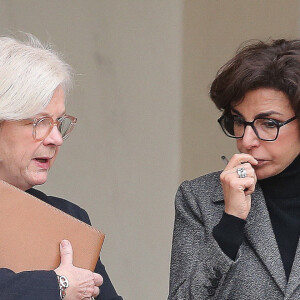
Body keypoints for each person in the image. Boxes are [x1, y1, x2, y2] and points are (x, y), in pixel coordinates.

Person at [168, 39, 300, 299]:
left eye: (269, 123)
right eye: (238, 121)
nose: (246, 140)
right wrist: (230, 222)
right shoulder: (200, 199)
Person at [0, 35, 123, 300]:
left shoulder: (67, 220)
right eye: (39, 122)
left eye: (58, 123)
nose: (56, 139)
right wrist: (59, 285)